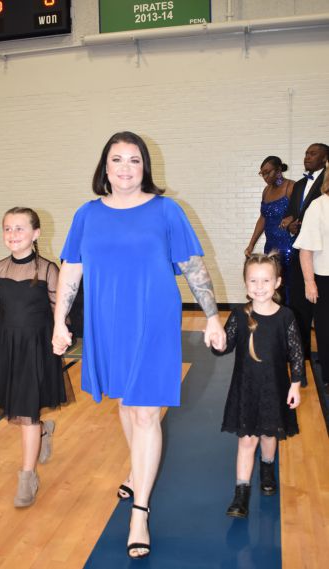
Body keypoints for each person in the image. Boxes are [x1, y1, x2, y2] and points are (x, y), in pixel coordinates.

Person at [52, 131, 226, 559]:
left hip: (152, 321)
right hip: (106, 323)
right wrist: (59, 323)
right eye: (117, 160)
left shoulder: (167, 210)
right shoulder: (87, 214)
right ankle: (137, 468)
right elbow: (71, 270)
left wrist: (213, 316)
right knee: (127, 406)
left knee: (146, 410)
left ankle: (140, 512)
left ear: (144, 167)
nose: (126, 168)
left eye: (134, 160)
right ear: (104, 167)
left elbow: (193, 267)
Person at [0, 207, 74, 508]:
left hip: (36, 349)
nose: (13, 234)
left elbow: (61, 312)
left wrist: (62, 337)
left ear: (35, 233)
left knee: (26, 413)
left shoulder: (47, 270)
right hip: (7, 348)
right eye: (8, 228)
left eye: (20, 228)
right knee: (18, 410)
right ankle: (43, 431)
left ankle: (27, 476)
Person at [212, 252, 304, 518]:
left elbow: (296, 353)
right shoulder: (240, 315)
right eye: (253, 281)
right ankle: (240, 495)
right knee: (246, 441)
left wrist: (295, 386)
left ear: (277, 282)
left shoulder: (285, 316)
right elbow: (225, 347)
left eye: (266, 280)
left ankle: (266, 469)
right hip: (246, 389)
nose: (260, 287)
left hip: (275, 389)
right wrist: (218, 342)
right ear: (245, 284)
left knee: (268, 435)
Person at [281, 143, 329, 361]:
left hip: (319, 256)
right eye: (306, 153)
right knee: (299, 306)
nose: (307, 157)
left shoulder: (325, 183)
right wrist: (291, 224)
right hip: (301, 253)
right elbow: (293, 213)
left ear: (325, 158)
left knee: (321, 314)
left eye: (313, 153)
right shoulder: (300, 184)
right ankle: (302, 356)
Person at [293, 162, 329, 395]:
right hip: (325, 279)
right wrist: (309, 282)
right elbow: (306, 249)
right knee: (326, 331)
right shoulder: (319, 206)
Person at [245, 156, 295, 303]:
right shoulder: (266, 191)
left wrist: (291, 218)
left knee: (289, 285)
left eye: (268, 172)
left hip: (288, 245)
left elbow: (302, 211)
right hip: (271, 246)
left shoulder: (290, 187)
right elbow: (263, 218)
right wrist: (251, 244)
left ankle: (290, 321)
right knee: (273, 284)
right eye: (262, 174)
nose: (265, 177)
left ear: (279, 169)